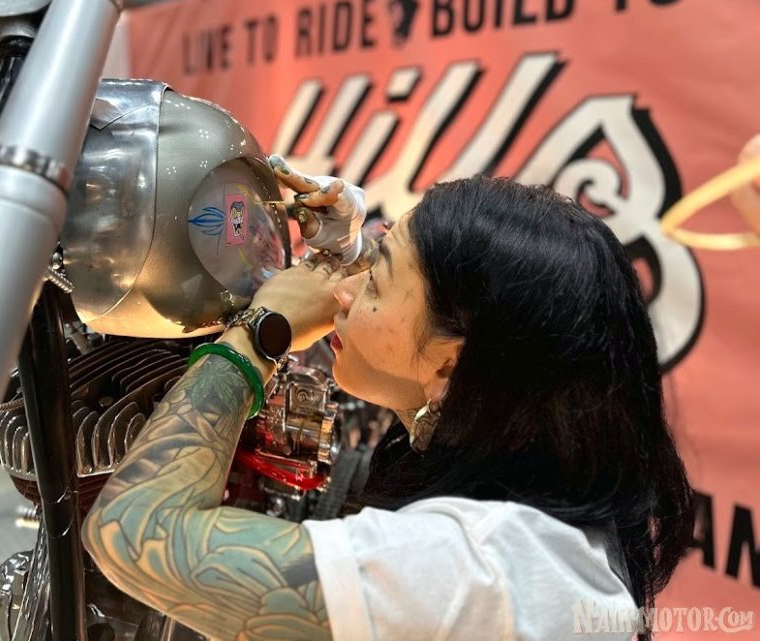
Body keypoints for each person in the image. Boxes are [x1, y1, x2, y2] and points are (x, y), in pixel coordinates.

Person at [82, 173, 695, 641]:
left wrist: (258, 334)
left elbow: (134, 533)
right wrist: (351, 254)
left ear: (451, 367)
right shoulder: (554, 512)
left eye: (374, 279)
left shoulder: (472, 574)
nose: (343, 295)